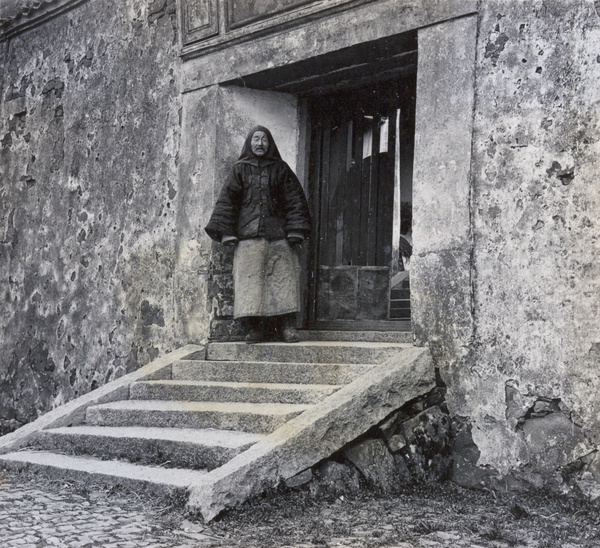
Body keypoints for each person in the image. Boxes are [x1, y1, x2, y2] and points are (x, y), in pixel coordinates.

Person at [205, 126, 311, 343]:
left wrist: (295, 230)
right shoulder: (239, 170)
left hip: (279, 236)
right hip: (248, 237)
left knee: (283, 281)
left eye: (264, 139)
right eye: (256, 139)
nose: (260, 144)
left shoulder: (281, 169)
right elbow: (228, 202)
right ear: (249, 143)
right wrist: (227, 233)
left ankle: (288, 328)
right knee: (250, 284)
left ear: (270, 143)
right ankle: (255, 329)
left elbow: (295, 200)